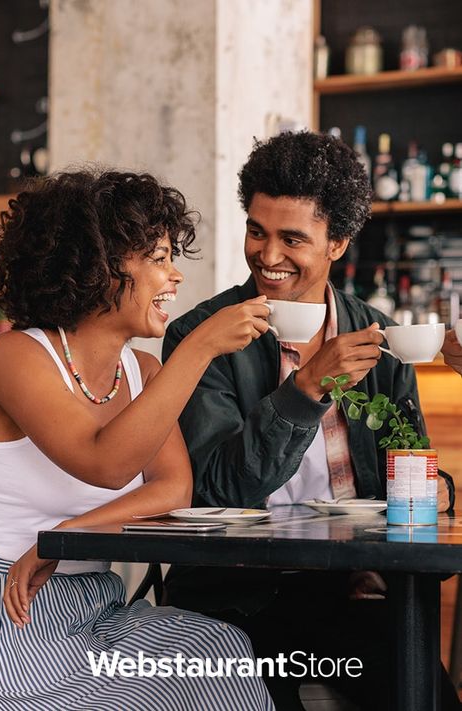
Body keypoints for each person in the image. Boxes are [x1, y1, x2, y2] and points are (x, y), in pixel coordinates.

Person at [162, 131, 460, 710]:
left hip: (356, 588)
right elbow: (213, 492)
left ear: (338, 243)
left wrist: (431, 493)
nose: (268, 256)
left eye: (292, 238)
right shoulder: (201, 336)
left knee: (426, 697)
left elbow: (413, 475)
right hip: (241, 593)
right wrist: (303, 391)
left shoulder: (380, 340)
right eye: (257, 231)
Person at [0, 170, 275, 711]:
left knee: (220, 648)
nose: (175, 277)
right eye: (161, 258)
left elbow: (173, 492)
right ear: (105, 264)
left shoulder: (141, 369)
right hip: (8, 610)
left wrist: (66, 535)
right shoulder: (15, 357)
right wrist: (200, 348)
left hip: (92, 602)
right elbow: (107, 465)